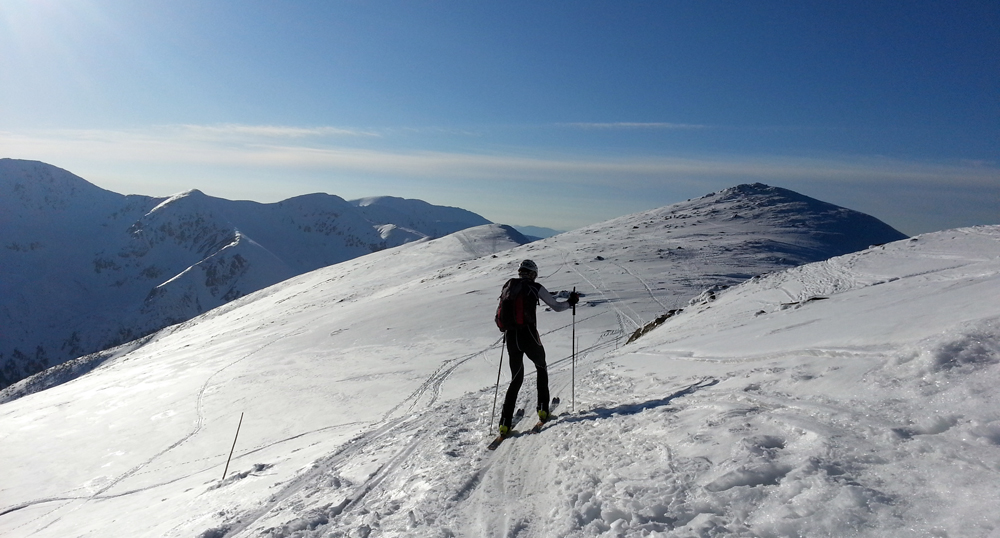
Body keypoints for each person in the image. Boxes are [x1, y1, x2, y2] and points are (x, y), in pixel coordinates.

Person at [498, 259, 579, 436]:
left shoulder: (508, 285)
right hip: (528, 334)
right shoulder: (535, 287)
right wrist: (571, 302)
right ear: (533, 273)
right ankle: (543, 409)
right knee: (541, 367)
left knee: (516, 379)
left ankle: (504, 423)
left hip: (510, 336)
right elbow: (556, 306)